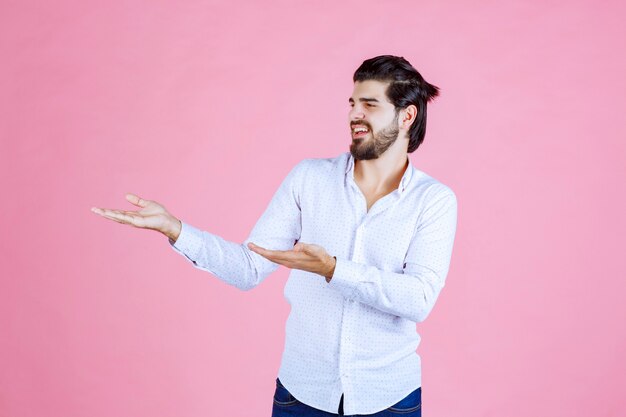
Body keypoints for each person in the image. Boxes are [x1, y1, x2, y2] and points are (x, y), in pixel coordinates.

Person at [91, 55, 457, 417]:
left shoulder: (433, 201)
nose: (354, 115)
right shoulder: (308, 179)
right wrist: (176, 229)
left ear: (406, 116)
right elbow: (249, 267)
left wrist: (333, 269)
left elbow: (419, 299)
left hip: (389, 400)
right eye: (352, 104)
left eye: (370, 104)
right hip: (302, 395)